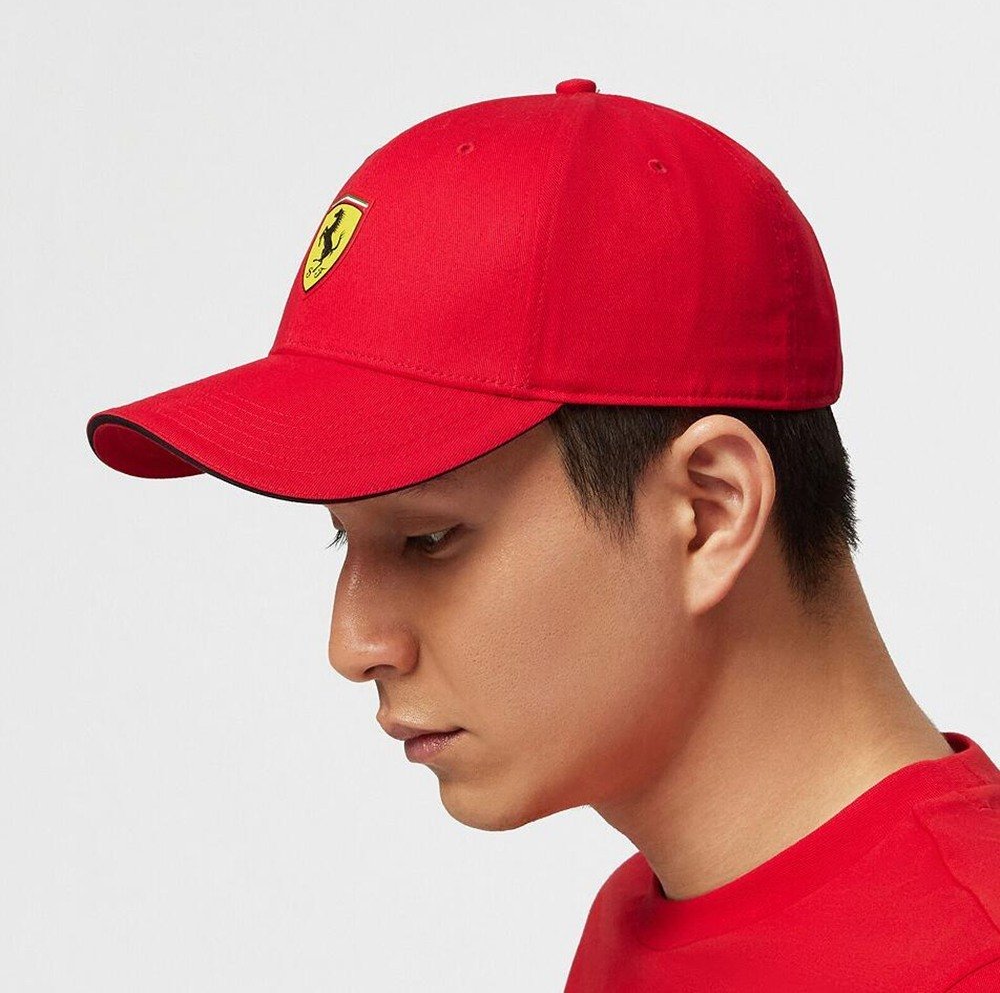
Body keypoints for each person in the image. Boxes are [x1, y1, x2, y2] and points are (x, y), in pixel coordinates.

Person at [86, 78, 1000, 991]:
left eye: (428, 538)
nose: (352, 644)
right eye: (342, 538)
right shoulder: (648, 916)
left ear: (709, 512)